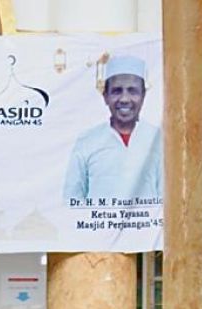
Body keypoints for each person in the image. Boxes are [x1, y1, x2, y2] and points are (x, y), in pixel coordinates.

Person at [63, 55, 162, 205]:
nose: (124, 99)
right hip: (99, 227)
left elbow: (169, 199)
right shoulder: (87, 141)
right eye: (116, 91)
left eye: (132, 91)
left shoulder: (159, 140)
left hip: (147, 228)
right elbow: (71, 200)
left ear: (143, 96)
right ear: (105, 96)